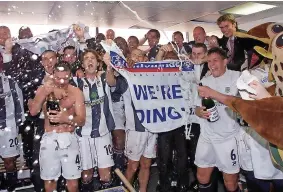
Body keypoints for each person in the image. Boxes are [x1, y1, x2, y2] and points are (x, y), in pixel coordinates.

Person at [105, 48, 157, 192]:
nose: (136, 58)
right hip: (135, 129)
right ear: (128, 58)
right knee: (133, 165)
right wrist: (109, 67)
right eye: (133, 55)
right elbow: (111, 83)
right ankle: (126, 190)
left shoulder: (153, 76)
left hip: (153, 127)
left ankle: (143, 190)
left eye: (140, 56)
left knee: (146, 164)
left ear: (145, 59)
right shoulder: (126, 78)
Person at [28, 61, 86, 192]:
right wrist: (44, 93)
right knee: (49, 183)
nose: (61, 81)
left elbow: (81, 120)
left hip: (69, 138)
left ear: (70, 76)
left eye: (65, 78)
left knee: (73, 184)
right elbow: (33, 111)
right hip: (49, 138)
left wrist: (66, 118)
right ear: (53, 75)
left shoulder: (76, 92)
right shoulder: (43, 89)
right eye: (58, 78)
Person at [195, 47, 241, 192]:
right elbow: (196, 107)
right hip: (207, 136)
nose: (212, 64)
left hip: (228, 137)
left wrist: (212, 93)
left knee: (230, 183)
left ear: (225, 61)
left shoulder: (237, 77)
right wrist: (199, 112)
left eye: (215, 60)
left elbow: (238, 104)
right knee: (202, 176)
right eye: (209, 61)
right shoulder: (205, 80)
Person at [73, 49, 115, 191]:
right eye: (86, 58)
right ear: (82, 64)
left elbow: (112, 82)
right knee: (86, 175)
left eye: (93, 58)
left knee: (106, 175)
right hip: (83, 135)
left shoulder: (104, 78)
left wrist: (108, 66)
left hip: (103, 133)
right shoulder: (75, 83)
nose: (90, 61)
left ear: (98, 63)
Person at [0, 52, 25, 191]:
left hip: (8, 126)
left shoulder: (10, 80)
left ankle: (12, 186)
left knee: (9, 161)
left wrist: (19, 121)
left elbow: (19, 100)